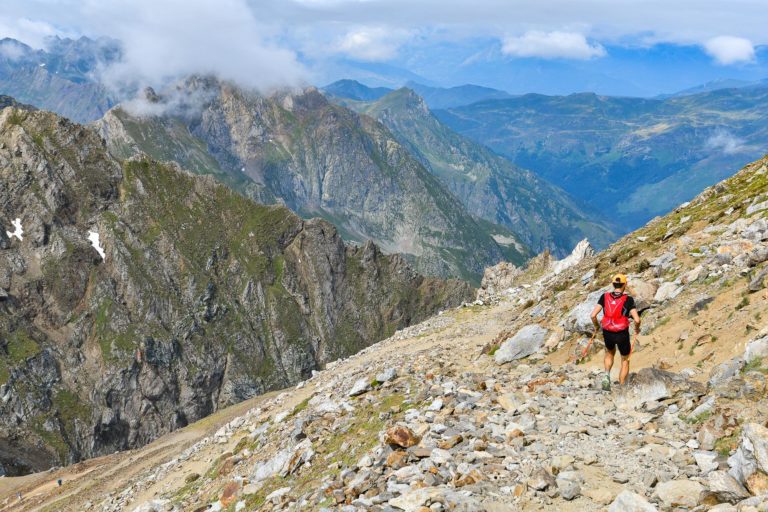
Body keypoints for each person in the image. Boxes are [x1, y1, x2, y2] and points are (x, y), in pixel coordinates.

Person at [590, 274, 641, 390]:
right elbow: (637, 319)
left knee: (609, 353)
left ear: (613, 284)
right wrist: (637, 328)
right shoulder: (628, 299)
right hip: (622, 333)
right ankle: (622, 388)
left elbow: (593, 315)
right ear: (625, 285)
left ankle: (606, 377)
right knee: (625, 360)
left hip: (608, 331)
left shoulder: (604, 296)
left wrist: (597, 327)